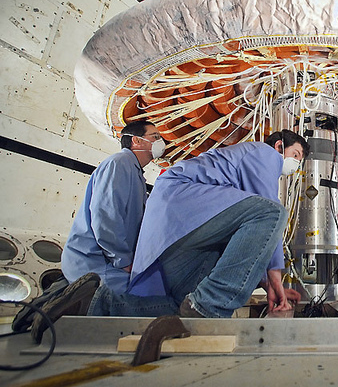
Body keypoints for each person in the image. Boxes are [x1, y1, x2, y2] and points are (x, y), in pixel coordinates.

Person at [33, 130, 309, 338]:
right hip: (184, 208)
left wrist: (265, 284)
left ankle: (88, 306)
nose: (296, 164)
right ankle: (210, 309)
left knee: (179, 306)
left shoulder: (247, 173)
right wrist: (275, 275)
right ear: (279, 145)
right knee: (273, 212)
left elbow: (249, 244)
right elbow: (267, 211)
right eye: (296, 155)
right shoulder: (264, 154)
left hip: (183, 234)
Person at [61, 120, 163, 294]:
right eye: (155, 137)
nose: (160, 142)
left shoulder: (135, 173)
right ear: (136, 140)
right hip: (95, 263)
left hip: (110, 260)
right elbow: (106, 217)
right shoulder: (119, 163)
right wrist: (123, 260)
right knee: (149, 302)